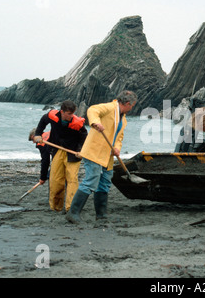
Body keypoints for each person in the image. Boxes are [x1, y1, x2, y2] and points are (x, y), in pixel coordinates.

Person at [66, 90, 138, 224]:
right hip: (94, 151)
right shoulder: (110, 107)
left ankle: (101, 215)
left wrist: (117, 148)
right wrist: (95, 122)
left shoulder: (123, 119)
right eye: (132, 106)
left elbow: (119, 137)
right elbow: (93, 110)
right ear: (127, 103)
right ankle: (73, 213)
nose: (131, 108)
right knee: (91, 180)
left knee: (104, 182)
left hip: (107, 155)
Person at [33, 100, 87, 212]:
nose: (71, 116)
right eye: (69, 114)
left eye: (73, 113)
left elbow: (84, 135)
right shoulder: (52, 116)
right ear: (62, 112)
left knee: (72, 180)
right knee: (56, 180)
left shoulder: (77, 123)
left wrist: (80, 150)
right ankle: (56, 207)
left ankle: (71, 208)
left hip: (73, 153)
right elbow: (43, 120)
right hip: (57, 149)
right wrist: (38, 134)